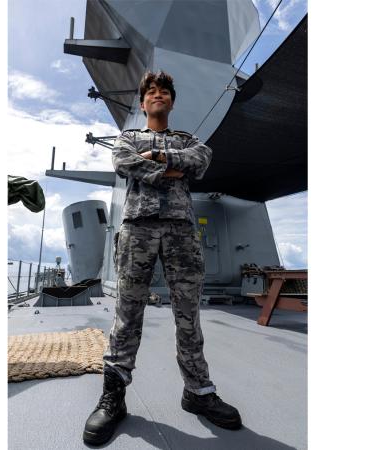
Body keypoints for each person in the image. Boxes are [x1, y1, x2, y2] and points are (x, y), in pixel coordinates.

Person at [83, 71, 242, 445]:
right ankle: (114, 395)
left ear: (171, 101)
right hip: (138, 228)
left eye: (164, 91)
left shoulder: (186, 139)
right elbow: (123, 162)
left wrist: (158, 156)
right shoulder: (128, 137)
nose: (158, 95)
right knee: (128, 313)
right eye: (151, 91)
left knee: (188, 315)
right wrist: (170, 169)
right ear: (142, 103)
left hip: (180, 230)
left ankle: (198, 392)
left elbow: (201, 159)